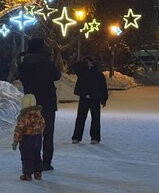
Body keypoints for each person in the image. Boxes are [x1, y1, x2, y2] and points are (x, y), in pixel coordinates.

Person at [18, 37, 61, 171]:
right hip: (47, 102)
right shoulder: (46, 62)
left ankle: (31, 162)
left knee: (30, 133)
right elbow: (57, 76)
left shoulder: (25, 62)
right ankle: (46, 163)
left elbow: (21, 78)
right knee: (48, 134)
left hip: (31, 102)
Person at [71, 56, 108, 144]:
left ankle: (95, 138)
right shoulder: (82, 71)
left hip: (95, 98)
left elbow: (103, 87)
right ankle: (76, 137)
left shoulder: (98, 73)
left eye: (89, 61)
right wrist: (83, 63)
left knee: (95, 119)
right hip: (84, 97)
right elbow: (74, 66)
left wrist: (104, 99)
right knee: (80, 118)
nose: (87, 63)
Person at [12, 94, 45, 181]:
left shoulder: (24, 117)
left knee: (26, 156)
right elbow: (43, 125)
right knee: (37, 155)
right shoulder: (39, 115)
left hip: (26, 138)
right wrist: (40, 134)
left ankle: (28, 174)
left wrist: (15, 141)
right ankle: (38, 173)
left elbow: (19, 129)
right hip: (37, 138)